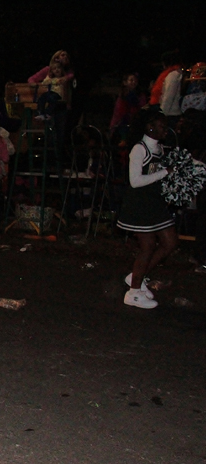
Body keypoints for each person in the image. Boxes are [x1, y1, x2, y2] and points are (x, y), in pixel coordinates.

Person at [116, 110, 177, 309]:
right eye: (161, 126)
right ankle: (133, 292)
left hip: (155, 203)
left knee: (169, 243)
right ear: (150, 127)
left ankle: (137, 277)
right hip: (139, 205)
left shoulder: (160, 148)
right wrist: (164, 173)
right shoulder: (139, 150)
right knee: (148, 245)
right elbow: (135, 181)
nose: (165, 130)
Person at [150, 51, 183, 129]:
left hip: (170, 114)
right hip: (169, 113)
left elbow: (168, 97)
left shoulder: (173, 75)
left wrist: (162, 114)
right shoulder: (172, 74)